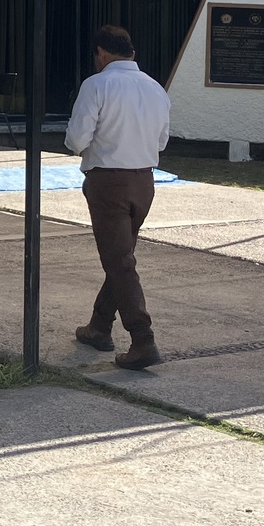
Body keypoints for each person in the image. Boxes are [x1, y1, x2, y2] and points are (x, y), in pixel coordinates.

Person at [67, 25, 169, 370]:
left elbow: (76, 140)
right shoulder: (155, 88)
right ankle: (99, 325)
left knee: (120, 262)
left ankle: (142, 339)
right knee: (120, 257)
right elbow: (161, 141)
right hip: (145, 181)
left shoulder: (97, 85)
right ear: (132, 53)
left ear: (100, 53)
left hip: (108, 181)